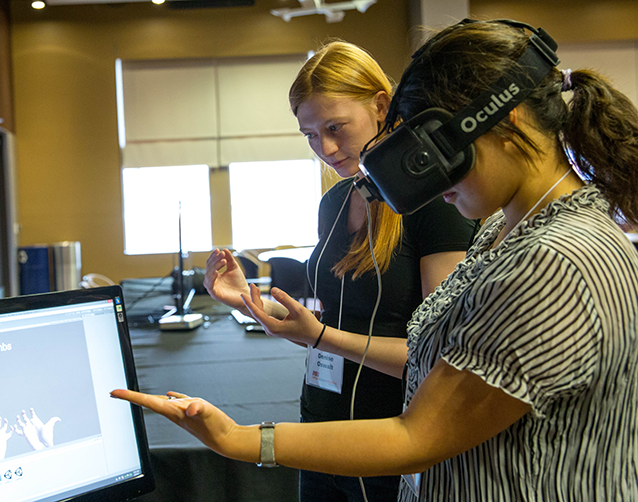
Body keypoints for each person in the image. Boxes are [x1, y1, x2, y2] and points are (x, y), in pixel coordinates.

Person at [113, 19, 638, 501]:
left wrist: (239, 439)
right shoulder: (508, 233)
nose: (427, 177)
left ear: (507, 117)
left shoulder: (552, 260)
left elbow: (418, 434)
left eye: (434, 151)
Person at [203, 41, 477, 501]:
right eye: (310, 135)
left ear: (382, 106)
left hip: (392, 441)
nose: (324, 149)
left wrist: (321, 338)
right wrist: (246, 300)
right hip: (323, 430)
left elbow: (439, 356)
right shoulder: (334, 203)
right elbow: (327, 319)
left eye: (335, 128)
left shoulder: (436, 204)